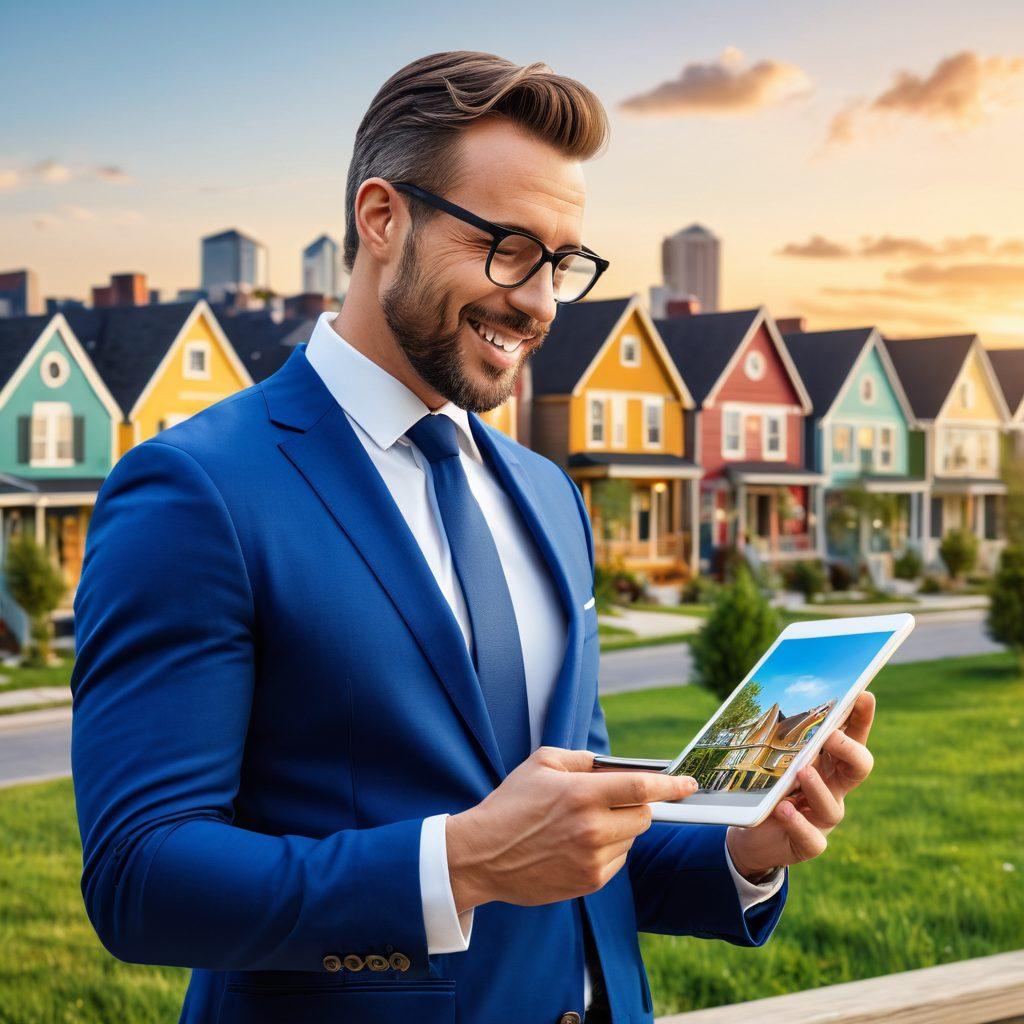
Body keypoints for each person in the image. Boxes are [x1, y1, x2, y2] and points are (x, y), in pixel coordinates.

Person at [70, 51, 876, 1024]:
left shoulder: (546, 496)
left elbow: (567, 836)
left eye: (562, 263)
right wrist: (458, 862)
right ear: (382, 217)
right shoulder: (198, 490)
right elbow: (140, 876)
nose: (538, 301)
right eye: (506, 247)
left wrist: (741, 849)